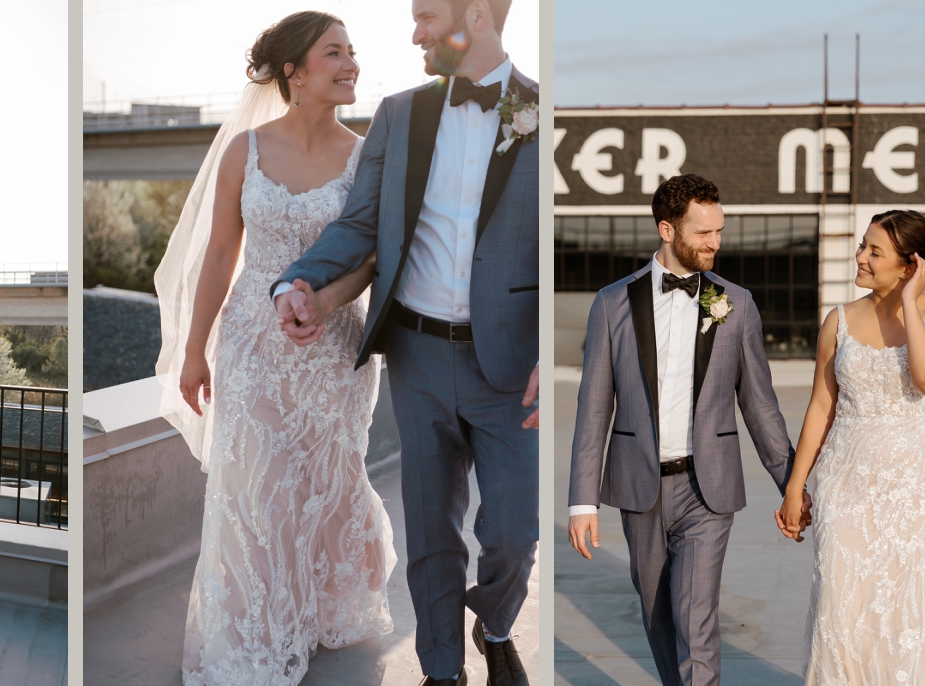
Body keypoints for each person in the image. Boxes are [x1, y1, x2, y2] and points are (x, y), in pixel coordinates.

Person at [272, 1, 538, 683]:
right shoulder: (397, 114)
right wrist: (299, 281)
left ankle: (497, 622)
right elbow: (359, 223)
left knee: (514, 533)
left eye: (426, 16)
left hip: (511, 367)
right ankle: (440, 669)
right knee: (430, 535)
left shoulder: (549, 114)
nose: (414, 32)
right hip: (415, 357)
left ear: (476, 14)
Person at [153, 12, 396, 686]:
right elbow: (220, 255)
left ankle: (319, 606)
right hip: (250, 346)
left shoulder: (366, 154)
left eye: (353, 52)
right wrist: (195, 351)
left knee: (326, 482)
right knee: (257, 490)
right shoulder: (244, 150)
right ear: (294, 70)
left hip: (333, 345)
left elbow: (374, 256)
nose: (351, 64)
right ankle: (258, 633)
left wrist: (320, 301)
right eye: (334, 54)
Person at [567, 174, 804, 686]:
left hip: (708, 489)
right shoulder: (611, 303)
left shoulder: (735, 305)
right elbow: (593, 407)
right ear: (667, 230)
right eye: (703, 233)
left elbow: (760, 408)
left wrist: (793, 485)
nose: (715, 242)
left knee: (695, 621)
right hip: (638, 486)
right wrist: (582, 501)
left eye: (719, 231)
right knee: (658, 616)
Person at [778, 210, 925, 685]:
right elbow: (821, 408)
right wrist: (794, 486)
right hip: (844, 484)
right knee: (839, 606)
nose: (860, 256)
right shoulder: (838, 320)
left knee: (908, 612)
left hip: (914, 490)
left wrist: (910, 301)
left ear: (910, 266)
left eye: (873, 250)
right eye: (863, 245)